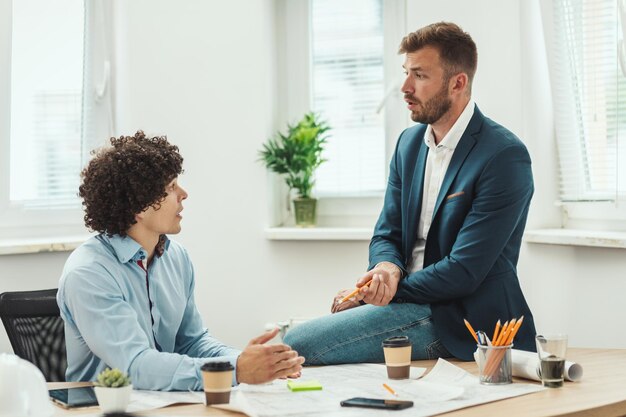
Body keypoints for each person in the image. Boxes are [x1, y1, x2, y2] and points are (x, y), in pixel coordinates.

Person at [284, 22, 536, 364]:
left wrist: (379, 292)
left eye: (419, 75)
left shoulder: (503, 155)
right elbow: (387, 232)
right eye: (406, 73)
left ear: (458, 82)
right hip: (410, 303)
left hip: (464, 321)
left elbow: (464, 271)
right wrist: (385, 268)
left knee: (299, 344)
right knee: (295, 342)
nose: (405, 87)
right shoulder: (408, 144)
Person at [57, 131, 304, 390]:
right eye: (171, 187)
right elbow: (135, 366)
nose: (183, 194)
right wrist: (236, 370)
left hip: (164, 402)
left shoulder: (177, 258)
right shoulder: (89, 274)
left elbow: (192, 342)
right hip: (102, 408)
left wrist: (247, 362)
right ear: (140, 206)